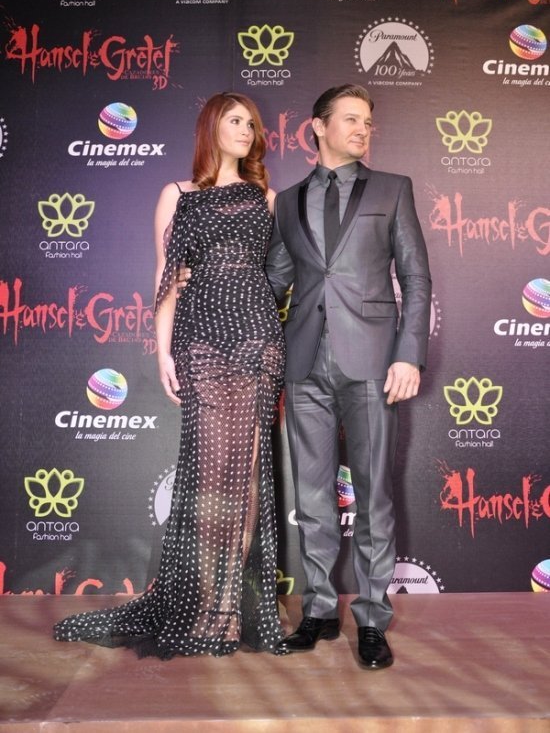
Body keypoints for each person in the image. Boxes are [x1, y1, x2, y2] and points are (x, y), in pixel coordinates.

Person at [53, 91, 287, 658]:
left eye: (252, 124)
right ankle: (203, 604)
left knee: (247, 480)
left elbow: (278, 271)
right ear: (211, 128)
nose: (247, 131)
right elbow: (166, 275)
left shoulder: (266, 197)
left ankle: (226, 611)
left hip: (257, 338)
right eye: (235, 121)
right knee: (210, 480)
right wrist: (163, 353)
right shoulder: (176, 195)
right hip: (201, 341)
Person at [264, 84, 432, 669]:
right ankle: (317, 610)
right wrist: (218, 293)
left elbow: (416, 278)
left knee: (373, 495)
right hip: (303, 363)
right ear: (318, 126)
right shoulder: (287, 201)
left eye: (368, 122)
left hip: (374, 363)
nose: (363, 130)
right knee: (312, 498)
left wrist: (408, 354)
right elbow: (276, 280)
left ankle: (372, 619)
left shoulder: (393, 188)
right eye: (351, 119)